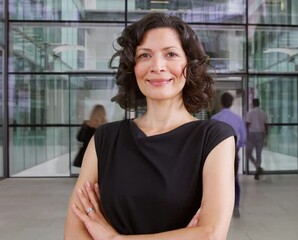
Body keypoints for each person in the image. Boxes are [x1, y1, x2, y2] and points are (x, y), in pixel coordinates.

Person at [64, 12, 236, 239]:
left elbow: (210, 235)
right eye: (144, 55)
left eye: (171, 54)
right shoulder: (105, 138)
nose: (157, 66)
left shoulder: (214, 138)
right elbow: (74, 232)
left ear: (190, 65)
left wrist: (113, 238)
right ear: (133, 67)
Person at [211, 92, 246, 218]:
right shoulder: (237, 118)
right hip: (233, 151)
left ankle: (219, 208)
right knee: (234, 179)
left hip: (218, 153)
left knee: (217, 180)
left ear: (221, 103)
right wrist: (238, 146)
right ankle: (235, 206)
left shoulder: (215, 118)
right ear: (231, 103)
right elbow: (244, 138)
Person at [245, 98, 268, 180]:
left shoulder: (250, 112)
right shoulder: (263, 113)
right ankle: (258, 168)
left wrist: (246, 134)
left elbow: (247, 124)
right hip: (261, 134)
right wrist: (266, 135)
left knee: (248, 153)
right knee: (259, 154)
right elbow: (266, 125)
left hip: (252, 134)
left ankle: (257, 166)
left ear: (253, 104)